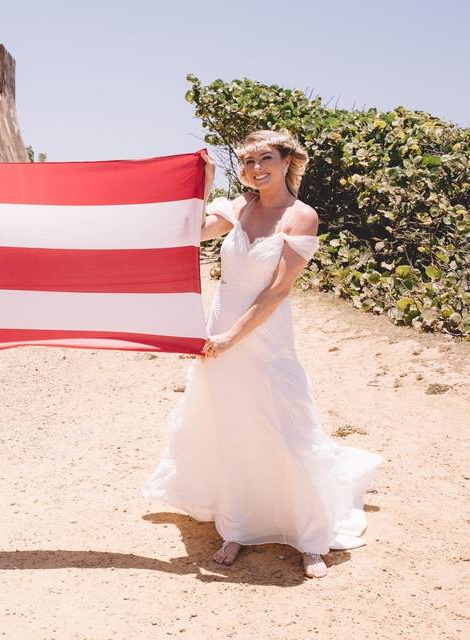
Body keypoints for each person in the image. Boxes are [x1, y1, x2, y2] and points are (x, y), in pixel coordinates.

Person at [143, 130, 381, 578]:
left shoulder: (302, 216)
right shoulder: (237, 207)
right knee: (231, 425)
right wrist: (206, 181)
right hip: (220, 324)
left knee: (285, 422)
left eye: (265, 158)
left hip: (264, 333)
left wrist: (235, 336)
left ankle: (311, 535)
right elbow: (191, 234)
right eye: (248, 161)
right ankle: (238, 527)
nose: (255, 168)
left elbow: (278, 289)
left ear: (286, 159)